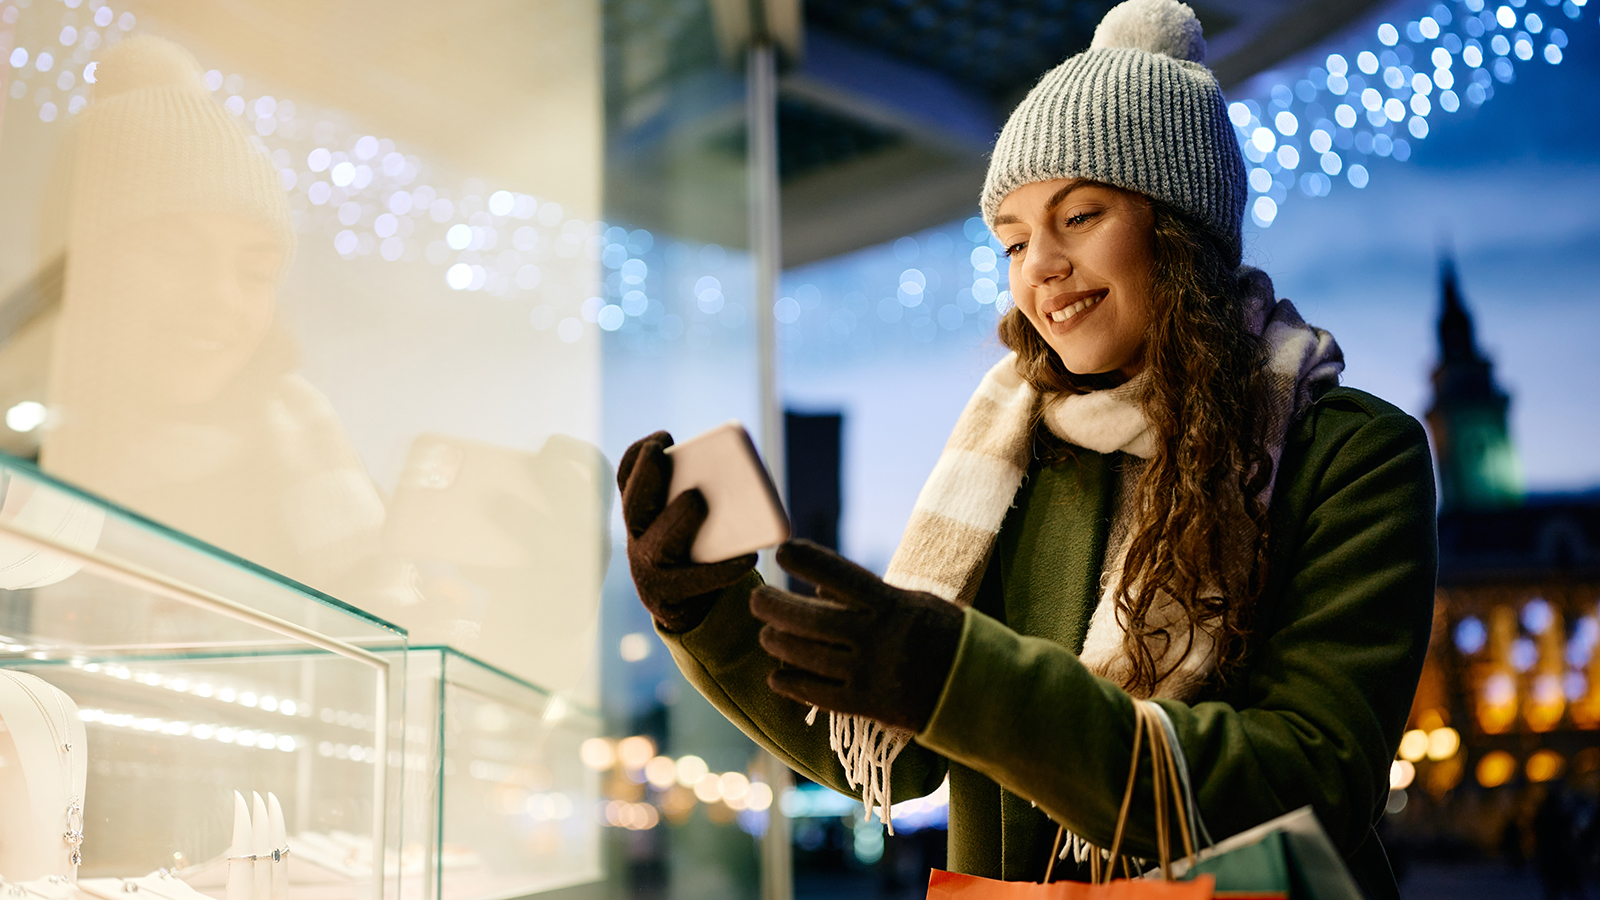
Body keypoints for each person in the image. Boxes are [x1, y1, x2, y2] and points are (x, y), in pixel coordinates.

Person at [616, 0, 1437, 896]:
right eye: (1012, 239)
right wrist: (709, 613)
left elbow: (1310, 782)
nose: (1037, 264)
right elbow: (898, 760)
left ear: (1180, 226)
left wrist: (967, 678)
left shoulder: (1356, 458)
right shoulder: (1009, 454)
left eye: (1079, 215)